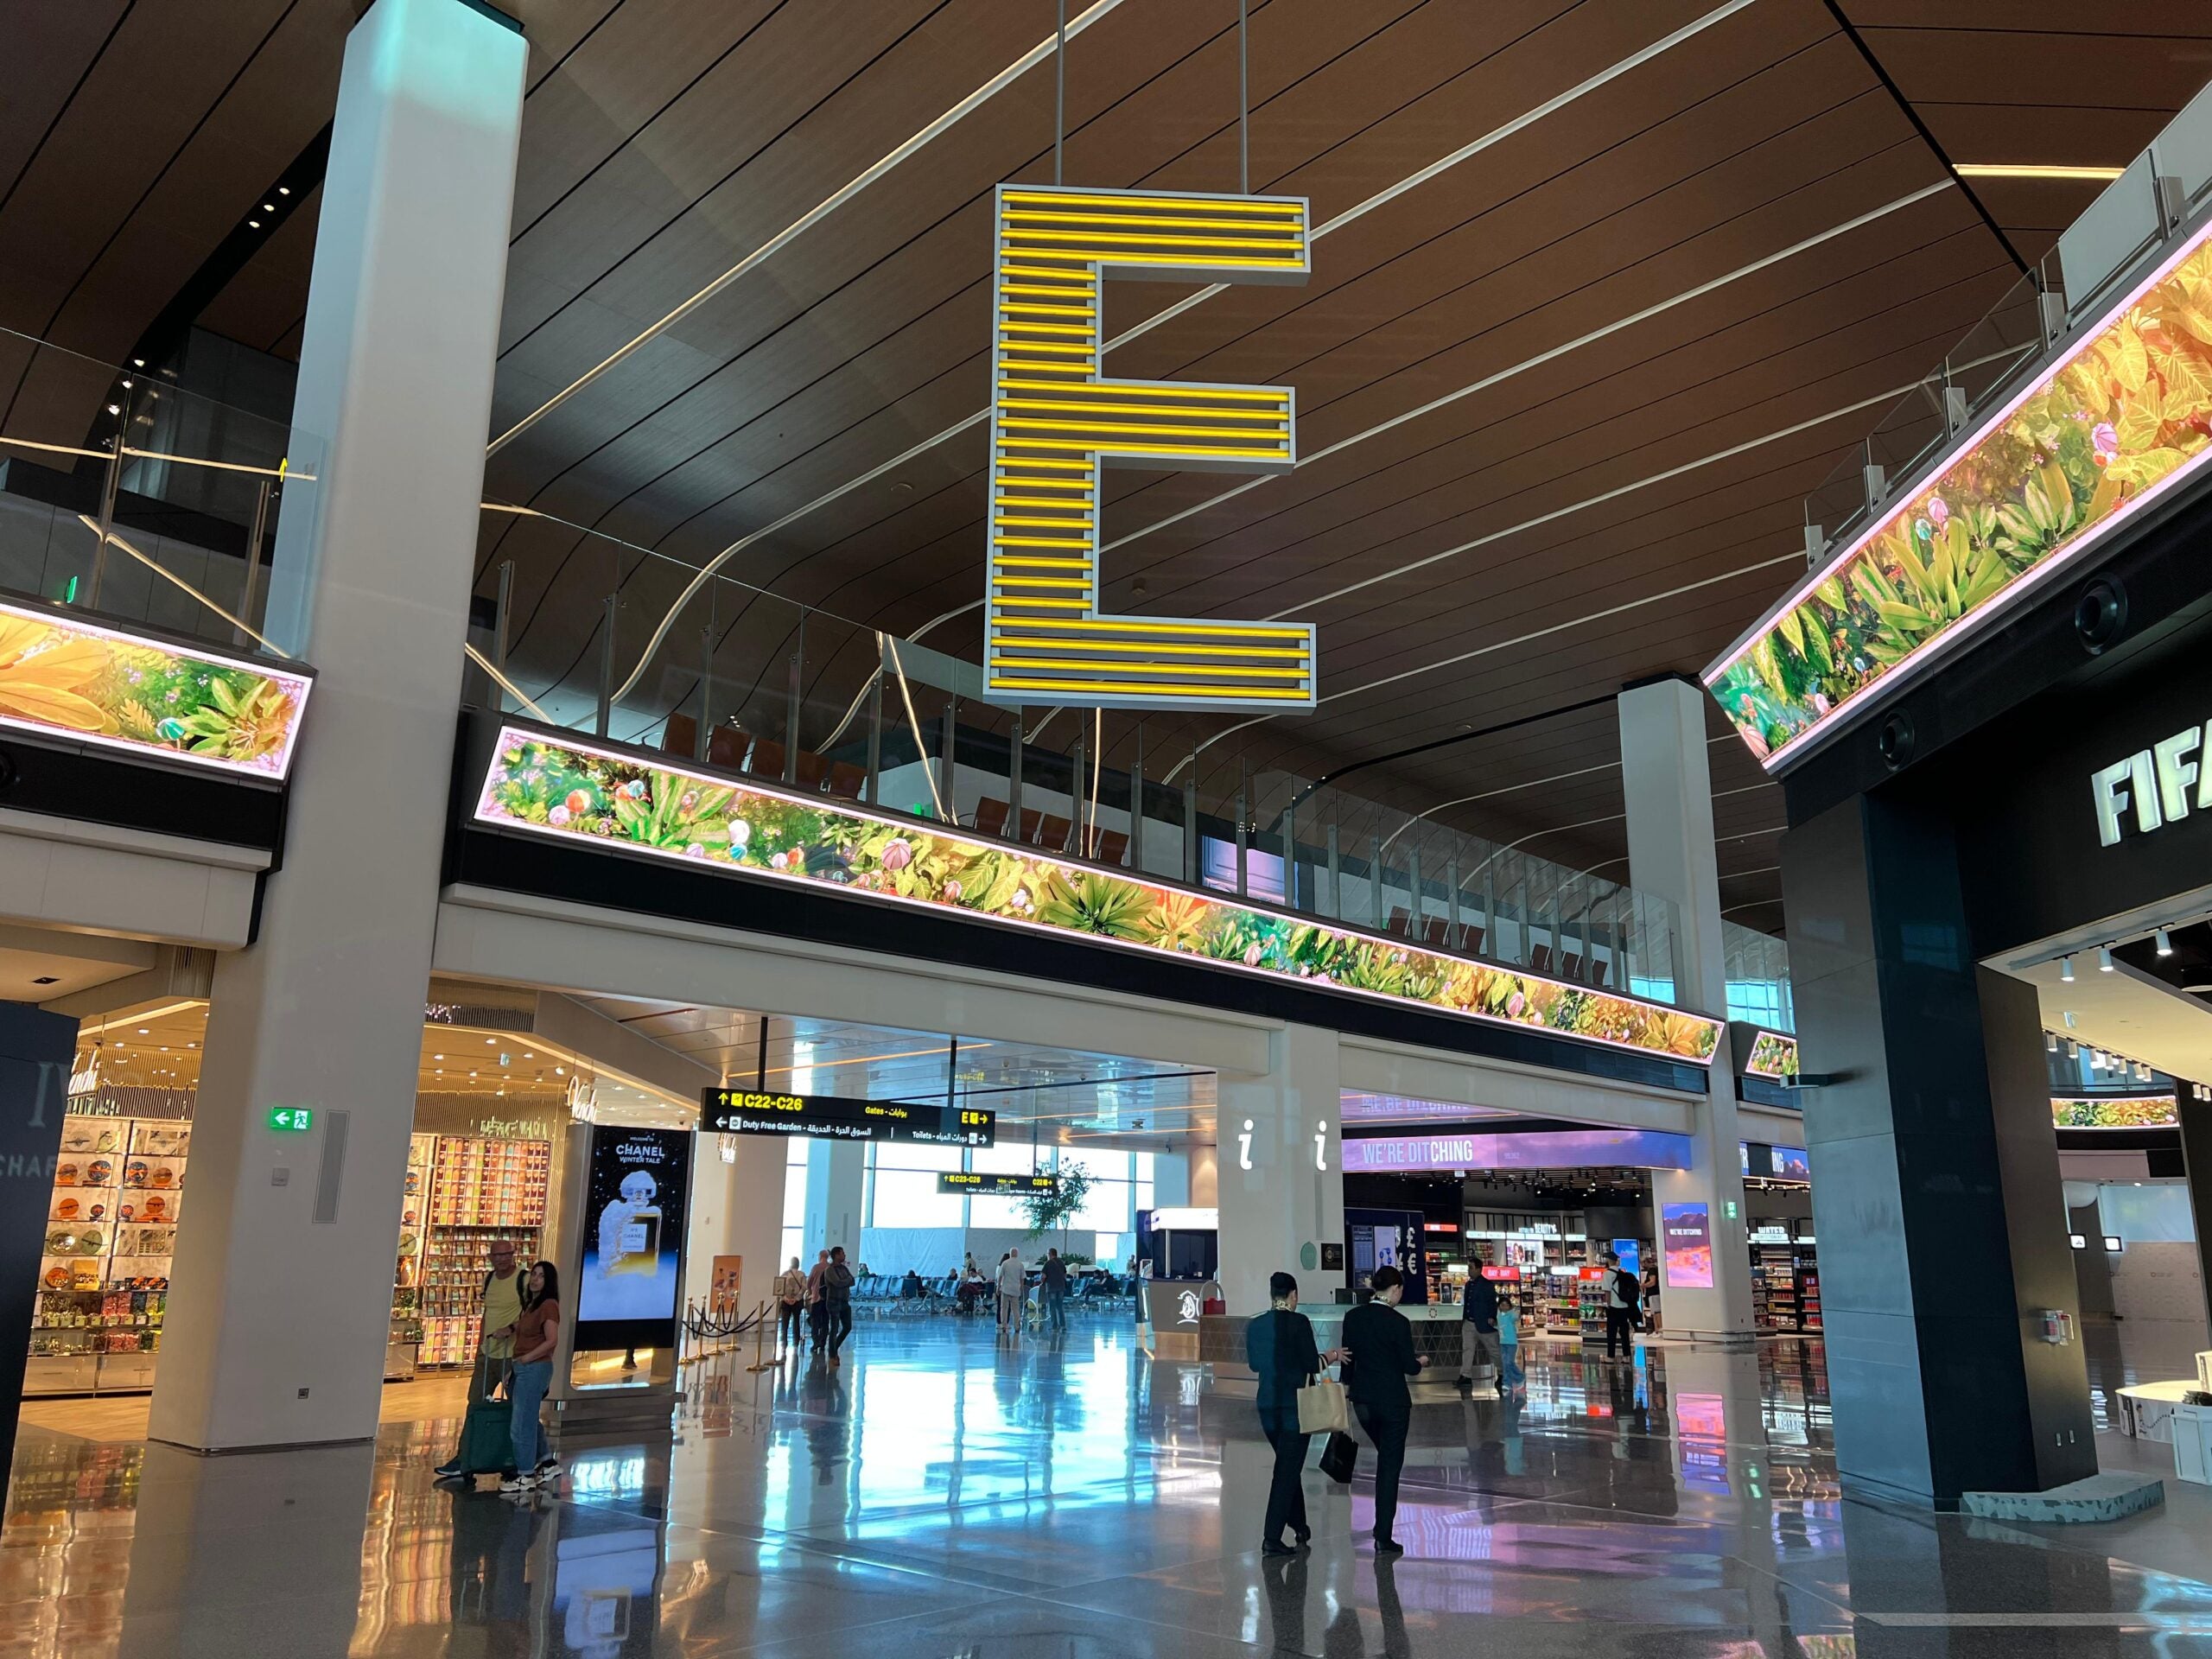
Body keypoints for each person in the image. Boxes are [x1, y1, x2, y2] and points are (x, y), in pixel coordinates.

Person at [1246, 1270, 1339, 1555]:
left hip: (1266, 1406)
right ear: (1294, 1295)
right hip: (1294, 1408)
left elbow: (1254, 1365)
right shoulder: (1299, 1323)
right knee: (1286, 1471)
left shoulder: (1256, 1325)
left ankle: (1300, 1524)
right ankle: (1271, 1538)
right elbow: (1312, 1363)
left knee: (1289, 1465)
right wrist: (1332, 1356)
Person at [1342, 1264, 1421, 1554]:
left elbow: (1348, 1360)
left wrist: (1346, 1388)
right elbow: (1408, 1367)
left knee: (1383, 1453)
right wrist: (1420, 1363)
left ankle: (1381, 1531)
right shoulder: (1398, 1322)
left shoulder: (1352, 1317)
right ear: (1396, 1289)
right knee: (1389, 1466)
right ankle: (1383, 1535)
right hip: (1393, 1403)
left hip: (1363, 1402)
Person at [435, 1237, 525, 1480]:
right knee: (475, 1404)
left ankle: (517, 1459)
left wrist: (512, 1329)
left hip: (511, 1355)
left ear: (513, 1255)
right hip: (489, 1353)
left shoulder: (523, 1280)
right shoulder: (490, 1279)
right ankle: (465, 1458)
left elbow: (533, 1314)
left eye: (506, 1254)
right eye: (497, 1255)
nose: (502, 1259)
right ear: (491, 1258)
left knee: (516, 1408)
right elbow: (488, 1312)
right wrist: (480, 1347)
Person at [499, 1260, 562, 1493]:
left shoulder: (548, 1305)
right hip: (523, 1367)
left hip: (535, 1368)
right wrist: (514, 1367)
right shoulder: (531, 1306)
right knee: (526, 1419)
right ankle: (546, 1461)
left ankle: (524, 1473)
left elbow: (551, 1340)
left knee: (521, 1425)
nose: (535, 1280)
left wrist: (527, 1359)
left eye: (541, 1276)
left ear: (549, 1282)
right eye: (534, 1275)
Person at [1457, 1271, 1502, 1395]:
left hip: (1484, 1323)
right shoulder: (1468, 1285)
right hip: (1469, 1323)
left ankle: (1502, 1372)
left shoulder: (1487, 1285)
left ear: (1478, 1269)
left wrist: (1492, 1316)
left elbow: (1492, 1302)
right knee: (1467, 1349)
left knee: (1493, 1350)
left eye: (1471, 1267)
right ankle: (1466, 1375)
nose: (1468, 1270)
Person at [821, 1245, 856, 1362]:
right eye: (842, 1253)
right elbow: (837, 1283)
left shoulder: (844, 1268)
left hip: (844, 1302)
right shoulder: (829, 1270)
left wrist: (845, 1281)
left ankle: (834, 1348)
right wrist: (846, 1281)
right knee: (834, 1328)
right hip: (833, 1302)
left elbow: (853, 1281)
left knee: (847, 1327)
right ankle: (832, 1355)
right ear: (836, 1255)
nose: (844, 1255)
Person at [1603, 1251, 1639, 1360]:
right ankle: (1627, 1356)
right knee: (1624, 1333)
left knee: (1612, 1333)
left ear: (1609, 1261)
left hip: (1613, 1307)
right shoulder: (1622, 1273)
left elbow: (1607, 1292)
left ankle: (1610, 1357)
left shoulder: (1607, 1274)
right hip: (1624, 1307)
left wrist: (1608, 1304)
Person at [774, 1256, 808, 1354]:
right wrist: (796, 1298)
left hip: (785, 1302)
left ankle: (784, 1341)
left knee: (785, 1322)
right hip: (797, 1302)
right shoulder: (802, 1274)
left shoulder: (785, 1274)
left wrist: (786, 1298)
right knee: (796, 1321)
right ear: (798, 1264)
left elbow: (779, 1287)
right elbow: (804, 1288)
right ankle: (796, 1341)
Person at [805, 1248, 830, 1351]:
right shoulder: (830, 1267)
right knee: (825, 1321)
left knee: (814, 1321)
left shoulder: (816, 1267)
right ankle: (823, 1342)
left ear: (820, 1257)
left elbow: (809, 1282)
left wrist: (810, 1292)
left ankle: (816, 1342)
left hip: (816, 1298)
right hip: (828, 1299)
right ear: (827, 1257)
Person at [1497, 1295, 1522, 1390]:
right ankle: (1507, 1383)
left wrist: (1516, 1312)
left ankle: (1519, 1377)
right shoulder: (1499, 1316)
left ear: (1509, 1306)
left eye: (1506, 1305)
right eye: (1502, 1305)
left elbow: (1515, 1317)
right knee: (1505, 1363)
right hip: (1502, 1342)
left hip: (1512, 1343)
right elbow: (1498, 1327)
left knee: (1509, 1362)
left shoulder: (1511, 1315)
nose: (1504, 1307)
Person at [1041, 1247, 1069, 1332]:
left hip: (1051, 1287)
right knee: (1060, 1306)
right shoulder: (1061, 1262)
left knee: (1052, 1307)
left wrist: (1042, 1282)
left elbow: (1044, 1276)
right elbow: (1065, 1275)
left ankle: (1054, 1326)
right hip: (1061, 1287)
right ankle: (1063, 1325)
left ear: (1050, 1254)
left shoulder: (1047, 1263)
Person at [997, 1248, 1026, 1331]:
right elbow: (1022, 1278)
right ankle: (1017, 1326)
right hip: (1016, 1289)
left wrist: (998, 1287)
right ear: (1017, 1254)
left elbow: (1000, 1276)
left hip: (1005, 1289)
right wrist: (1021, 1288)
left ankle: (1004, 1325)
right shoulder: (1020, 1264)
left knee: (1004, 1308)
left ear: (1010, 1254)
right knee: (1015, 1309)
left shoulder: (1005, 1263)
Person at [1639, 1261, 1661, 1335]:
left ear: (1646, 1263)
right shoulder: (1656, 1269)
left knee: (1657, 1313)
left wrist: (1643, 1285)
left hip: (1654, 1294)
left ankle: (1659, 1330)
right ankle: (1657, 1330)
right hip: (1654, 1294)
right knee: (1654, 1313)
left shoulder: (1652, 1270)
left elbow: (1652, 1282)